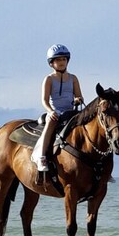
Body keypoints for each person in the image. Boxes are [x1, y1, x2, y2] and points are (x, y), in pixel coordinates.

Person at [31, 44, 84, 172]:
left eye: (64, 59)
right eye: (58, 60)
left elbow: (79, 96)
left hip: (71, 111)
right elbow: (44, 100)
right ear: (51, 63)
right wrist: (50, 111)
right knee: (51, 121)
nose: (61, 62)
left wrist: (78, 100)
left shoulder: (73, 78)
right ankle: (41, 156)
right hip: (55, 111)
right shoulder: (49, 79)